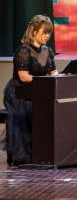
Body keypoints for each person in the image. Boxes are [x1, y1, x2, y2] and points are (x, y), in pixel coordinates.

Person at [4, 16, 56, 165]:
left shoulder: (47, 51)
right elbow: (23, 76)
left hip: (38, 90)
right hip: (20, 92)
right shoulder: (24, 50)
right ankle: (25, 156)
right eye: (44, 32)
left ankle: (44, 153)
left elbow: (53, 72)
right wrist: (44, 80)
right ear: (34, 31)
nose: (47, 36)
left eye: (49, 33)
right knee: (30, 111)